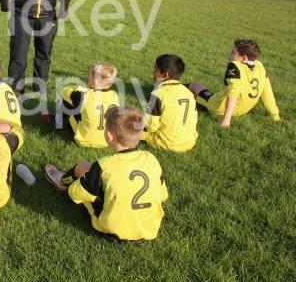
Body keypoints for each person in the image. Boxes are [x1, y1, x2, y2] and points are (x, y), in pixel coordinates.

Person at [44, 106, 168, 241]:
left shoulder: (104, 166)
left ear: (109, 135)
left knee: (83, 169)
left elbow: (75, 194)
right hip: (150, 229)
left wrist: (83, 175)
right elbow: (163, 195)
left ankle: (61, 181)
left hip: (111, 232)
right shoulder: (151, 159)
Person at [189, 39, 280, 128]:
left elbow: (233, 92)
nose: (229, 54)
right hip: (244, 109)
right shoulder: (259, 65)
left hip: (220, 107)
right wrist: (275, 114)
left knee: (195, 85)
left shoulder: (235, 66)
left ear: (244, 58)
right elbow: (267, 91)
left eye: (233, 53)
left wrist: (226, 119)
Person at [55, 63, 120, 148]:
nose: (87, 78)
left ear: (95, 81)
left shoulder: (83, 94)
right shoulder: (115, 96)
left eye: (89, 76)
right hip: (107, 141)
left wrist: (81, 88)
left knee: (63, 100)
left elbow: (63, 91)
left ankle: (58, 123)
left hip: (84, 140)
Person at [141, 55, 198, 152]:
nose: (153, 72)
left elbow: (150, 126)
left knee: (127, 126)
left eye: (155, 69)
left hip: (167, 143)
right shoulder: (188, 92)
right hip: (189, 141)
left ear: (165, 75)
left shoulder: (157, 94)